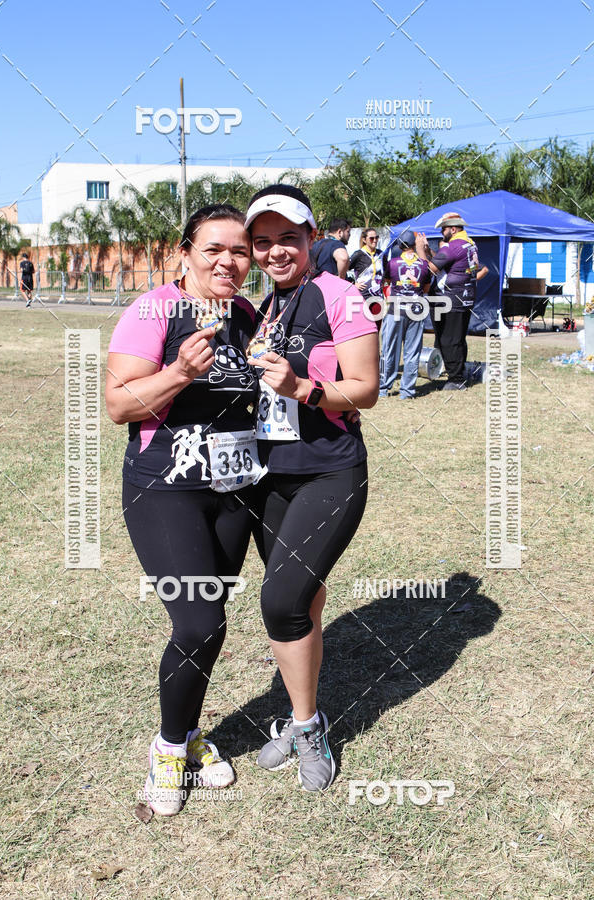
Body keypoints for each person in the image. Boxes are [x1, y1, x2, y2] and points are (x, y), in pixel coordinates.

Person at [105, 204, 263, 816]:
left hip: (232, 490)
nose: (228, 261)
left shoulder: (247, 315)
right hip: (164, 489)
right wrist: (177, 372)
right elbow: (119, 405)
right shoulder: (154, 311)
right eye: (214, 249)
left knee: (207, 619)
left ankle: (192, 731)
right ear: (186, 253)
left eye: (240, 251)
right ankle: (169, 751)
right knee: (201, 624)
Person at [244, 184, 379, 791]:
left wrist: (304, 389)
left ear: (312, 236)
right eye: (263, 241)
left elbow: (366, 388)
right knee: (305, 598)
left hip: (330, 471)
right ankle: (302, 714)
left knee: (280, 601)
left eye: (288, 238)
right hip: (269, 475)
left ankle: (308, 724)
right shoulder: (262, 307)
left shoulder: (342, 296)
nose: (276, 252)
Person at [416, 213, 489, 391]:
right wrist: (428, 251)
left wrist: (420, 251)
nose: (442, 233)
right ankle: (458, 374)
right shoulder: (469, 243)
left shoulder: (453, 246)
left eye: (444, 229)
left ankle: (456, 379)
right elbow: (444, 260)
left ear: (453, 229)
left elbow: (429, 270)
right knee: (457, 338)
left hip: (450, 299)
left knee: (449, 340)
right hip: (464, 297)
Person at [380, 230, 431, 399]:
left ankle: (383, 388)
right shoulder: (424, 265)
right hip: (416, 310)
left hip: (395, 310)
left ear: (400, 245)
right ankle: (407, 391)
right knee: (413, 351)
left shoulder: (393, 263)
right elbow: (426, 289)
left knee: (389, 350)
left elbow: (386, 283)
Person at [349, 228, 381, 293]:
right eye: (371, 238)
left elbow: (386, 272)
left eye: (376, 238)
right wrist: (353, 284)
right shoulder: (358, 254)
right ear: (364, 240)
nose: (375, 240)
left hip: (378, 293)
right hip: (363, 293)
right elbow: (342, 271)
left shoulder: (380, 254)